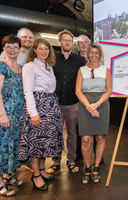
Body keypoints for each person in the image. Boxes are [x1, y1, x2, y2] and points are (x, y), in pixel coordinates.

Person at [18, 38, 64, 191]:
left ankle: (43, 170)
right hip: (37, 108)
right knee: (36, 143)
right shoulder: (30, 66)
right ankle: (36, 175)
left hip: (50, 107)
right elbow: (28, 91)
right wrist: (33, 113)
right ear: (35, 50)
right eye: (41, 48)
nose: (44, 51)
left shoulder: (49, 66)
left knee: (45, 142)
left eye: (47, 49)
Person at [0, 35, 26, 197]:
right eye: (9, 46)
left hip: (18, 115)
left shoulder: (20, 66)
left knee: (13, 146)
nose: (12, 50)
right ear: (4, 48)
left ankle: (8, 175)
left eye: (15, 47)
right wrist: (3, 115)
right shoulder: (0, 66)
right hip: (5, 115)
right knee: (2, 147)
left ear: (20, 49)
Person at [46, 30, 86, 174]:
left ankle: (71, 160)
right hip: (56, 103)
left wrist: (82, 102)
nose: (67, 42)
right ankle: (56, 161)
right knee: (56, 133)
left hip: (73, 103)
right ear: (60, 42)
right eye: (64, 40)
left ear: (72, 42)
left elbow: (85, 83)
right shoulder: (52, 59)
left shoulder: (80, 61)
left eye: (70, 40)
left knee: (72, 134)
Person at [75, 43, 112, 184]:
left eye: (96, 52)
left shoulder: (105, 70)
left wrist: (96, 105)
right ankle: (87, 167)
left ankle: (96, 167)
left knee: (100, 138)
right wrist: (89, 106)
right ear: (87, 54)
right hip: (85, 105)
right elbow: (78, 91)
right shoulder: (81, 70)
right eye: (91, 52)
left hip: (101, 105)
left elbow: (109, 90)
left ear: (100, 55)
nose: (94, 55)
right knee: (85, 139)